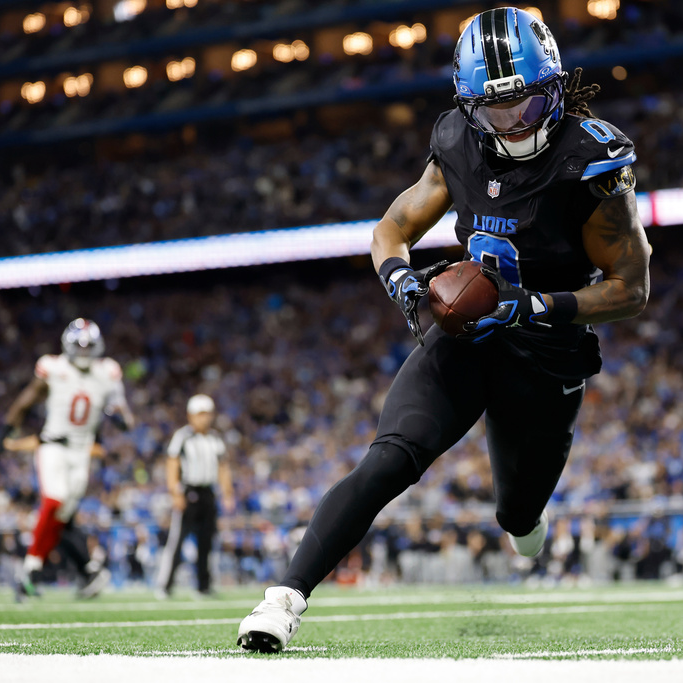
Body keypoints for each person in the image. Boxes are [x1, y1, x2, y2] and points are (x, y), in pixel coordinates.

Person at [237, 6, 649, 652]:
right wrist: (401, 280)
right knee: (390, 456)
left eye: (527, 104)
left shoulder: (589, 162)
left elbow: (632, 289)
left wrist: (535, 306)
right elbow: (390, 229)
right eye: (495, 109)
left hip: (545, 354)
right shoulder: (457, 139)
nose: (513, 123)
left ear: (557, 89)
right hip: (469, 335)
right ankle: (282, 598)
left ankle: (524, 517)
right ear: (468, 106)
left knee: (517, 510)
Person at [4, 318, 134, 600]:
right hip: (54, 445)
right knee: (54, 500)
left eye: (89, 346)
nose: (85, 352)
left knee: (61, 517)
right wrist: (8, 426)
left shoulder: (107, 372)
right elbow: (28, 398)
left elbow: (124, 413)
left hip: (82, 451)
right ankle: (35, 571)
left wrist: (120, 418)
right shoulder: (54, 367)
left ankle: (32, 572)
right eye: (80, 346)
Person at [155, 394, 234, 598]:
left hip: (208, 493)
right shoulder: (183, 436)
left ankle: (203, 585)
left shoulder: (215, 438)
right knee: (177, 540)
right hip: (188, 491)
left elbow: (223, 467)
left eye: (207, 414)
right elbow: (172, 464)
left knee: (206, 541)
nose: (204, 418)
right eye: (200, 414)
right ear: (191, 416)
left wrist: (227, 493)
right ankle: (165, 585)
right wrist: (175, 491)